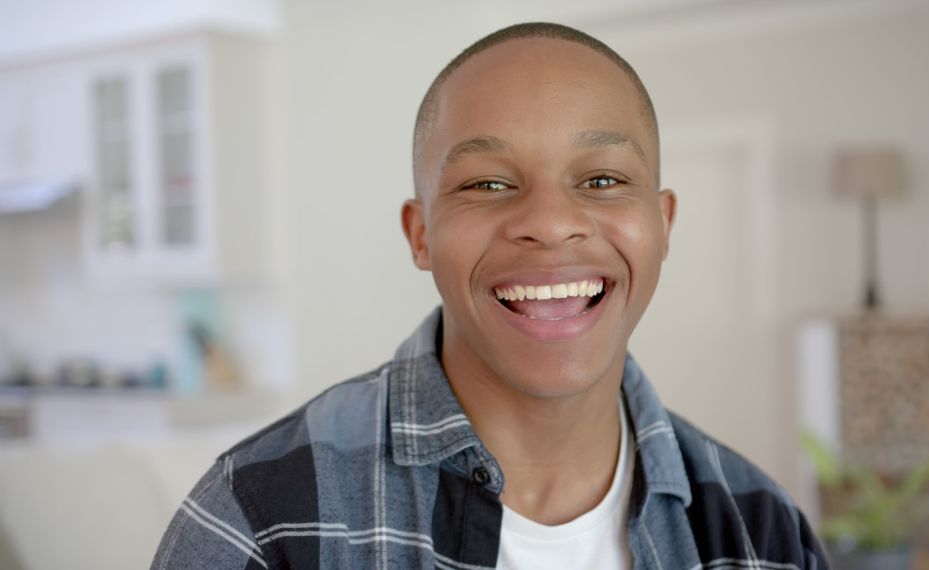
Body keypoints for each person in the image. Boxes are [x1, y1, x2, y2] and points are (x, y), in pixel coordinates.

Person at [152, 22, 827, 570]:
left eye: (600, 180)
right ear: (421, 235)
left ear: (664, 224)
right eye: (488, 184)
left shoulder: (759, 529)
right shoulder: (259, 518)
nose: (549, 221)